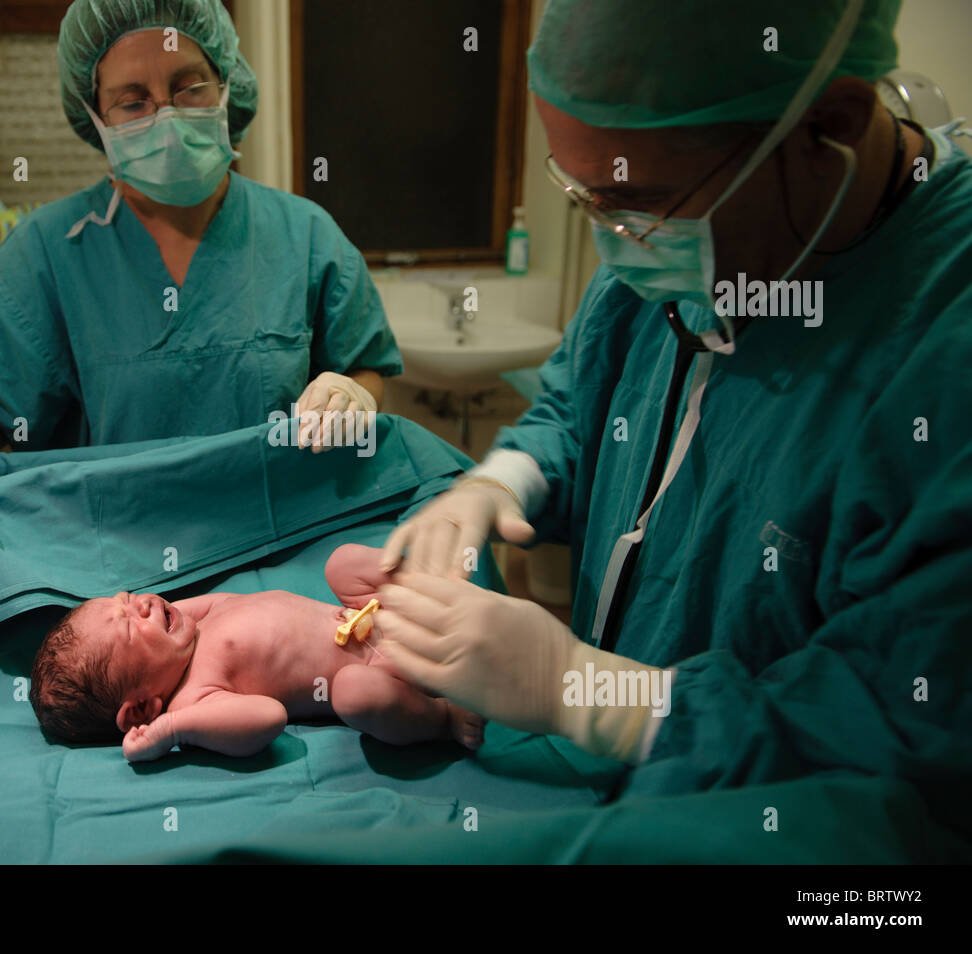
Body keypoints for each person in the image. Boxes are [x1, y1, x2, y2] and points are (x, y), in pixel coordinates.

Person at [375, 0, 972, 809]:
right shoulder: (669, 250)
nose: (614, 242)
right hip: (611, 796)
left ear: (829, 124)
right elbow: (576, 410)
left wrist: (593, 696)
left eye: (639, 202)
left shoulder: (940, 349)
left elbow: (902, 736)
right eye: (585, 196)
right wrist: (505, 480)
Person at [0, 0, 401, 543]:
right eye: (132, 101)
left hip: (281, 539)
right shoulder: (51, 248)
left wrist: (355, 395)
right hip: (105, 558)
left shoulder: (302, 232)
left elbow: (364, 364)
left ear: (225, 87)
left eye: (190, 88)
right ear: (95, 118)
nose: (167, 115)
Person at [29, 544, 484, 761]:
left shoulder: (192, 623)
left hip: (373, 615)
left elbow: (160, 614)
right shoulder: (195, 698)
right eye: (131, 625)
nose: (141, 603)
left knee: (341, 562)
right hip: (379, 669)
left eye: (123, 599)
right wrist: (170, 728)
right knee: (353, 696)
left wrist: (148, 624)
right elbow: (268, 719)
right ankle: (439, 717)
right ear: (144, 706)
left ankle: (431, 589)